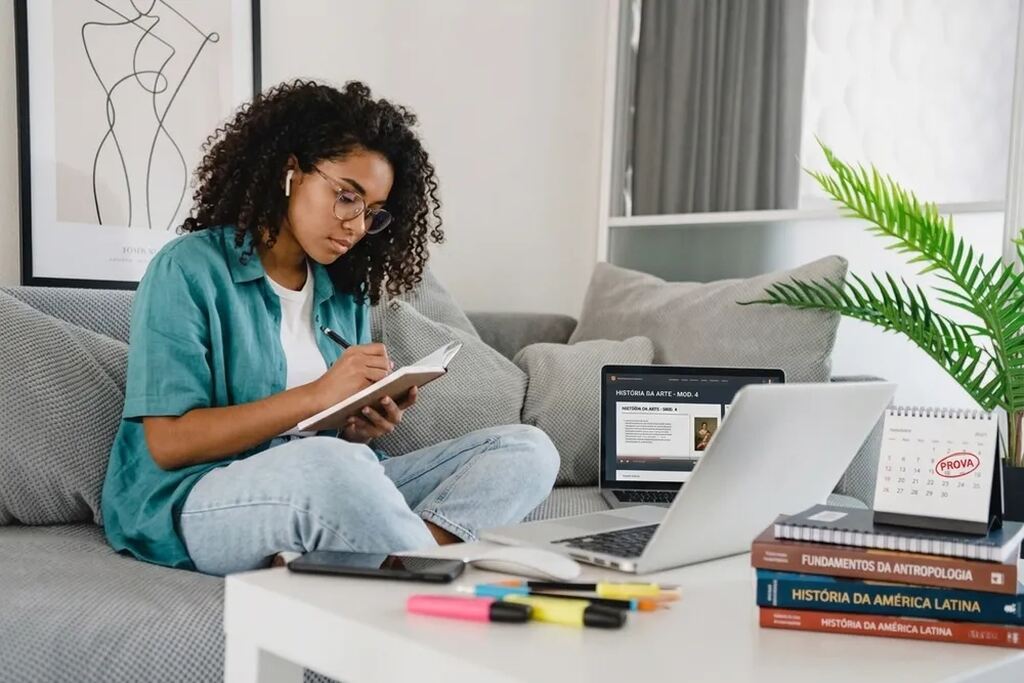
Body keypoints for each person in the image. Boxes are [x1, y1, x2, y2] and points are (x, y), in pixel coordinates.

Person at [100, 80, 560, 576]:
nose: (357, 226)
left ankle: (396, 566)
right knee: (333, 467)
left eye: (373, 213)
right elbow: (169, 444)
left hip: (319, 482)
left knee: (528, 449)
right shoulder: (188, 269)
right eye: (346, 197)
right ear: (290, 172)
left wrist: (359, 429)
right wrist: (319, 397)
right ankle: (421, 578)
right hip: (196, 496)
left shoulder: (344, 291)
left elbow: (334, 450)